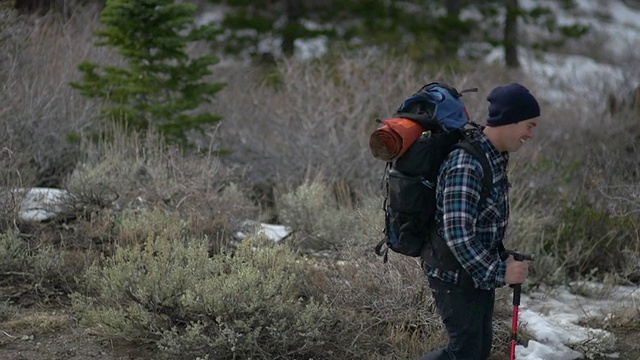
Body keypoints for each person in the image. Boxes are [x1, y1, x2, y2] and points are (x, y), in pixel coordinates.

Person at [418, 83, 539, 360]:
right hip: (453, 274)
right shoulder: (467, 162)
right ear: (510, 119)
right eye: (529, 126)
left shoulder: (494, 155)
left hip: (474, 272)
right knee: (465, 352)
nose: (531, 135)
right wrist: (499, 272)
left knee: (478, 349)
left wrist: (499, 260)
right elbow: (457, 233)